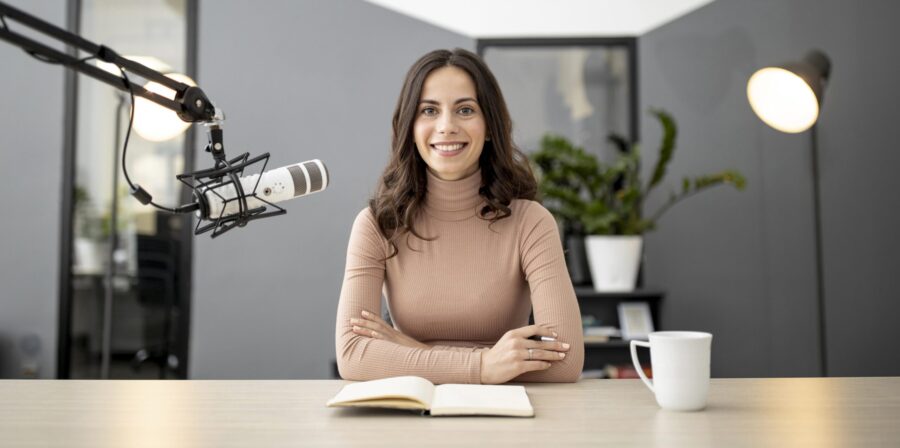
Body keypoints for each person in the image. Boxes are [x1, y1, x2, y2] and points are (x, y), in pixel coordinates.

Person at [335, 48, 584, 384]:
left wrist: (411, 352)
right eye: (429, 111)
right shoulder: (377, 224)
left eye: (465, 110)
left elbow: (565, 361)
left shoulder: (531, 223)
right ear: (410, 126)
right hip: (411, 419)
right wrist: (483, 365)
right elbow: (352, 355)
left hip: (504, 423)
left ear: (491, 126)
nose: (446, 126)